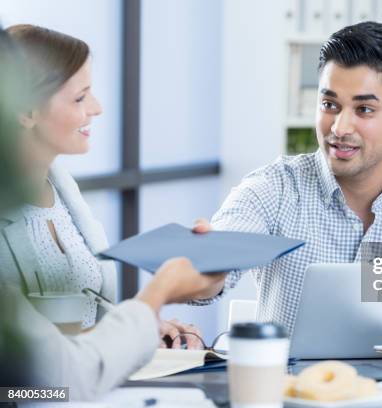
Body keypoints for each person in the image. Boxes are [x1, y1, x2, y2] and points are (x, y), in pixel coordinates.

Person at [192, 22, 382, 335]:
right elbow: (214, 266)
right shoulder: (273, 189)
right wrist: (200, 269)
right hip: (292, 384)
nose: (340, 128)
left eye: (364, 109)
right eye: (329, 105)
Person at [0, 26, 226, 400]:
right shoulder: (274, 187)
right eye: (80, 98)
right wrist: (155, 299)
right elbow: (34, 384)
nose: (97, 108)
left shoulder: (61, 189)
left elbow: (70, 332)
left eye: (362, 108)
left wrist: (136, 330)